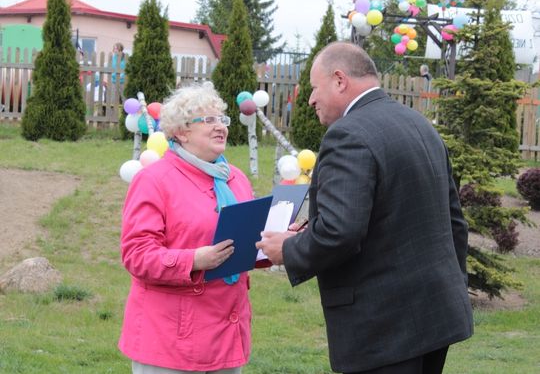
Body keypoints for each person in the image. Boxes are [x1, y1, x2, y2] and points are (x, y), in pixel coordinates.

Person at [256, 41, 473, 374]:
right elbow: (451, 220)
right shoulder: (418, 123)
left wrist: (288, 249)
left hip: (385, 329)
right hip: (435, 316)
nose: (311, 99)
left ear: (339, 80)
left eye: (315, 88)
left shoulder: (347, 135)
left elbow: (339, 232)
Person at [118, 82, 254, 374]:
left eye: (223, 119)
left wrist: (273, 239)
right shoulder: (154, 180)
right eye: (209, 120)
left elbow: (245, 241)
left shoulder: (236, 179)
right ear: (180, 131)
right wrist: (193, 260)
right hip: (169, 341)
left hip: (227, 335)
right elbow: (137, 255)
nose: (221, 127)